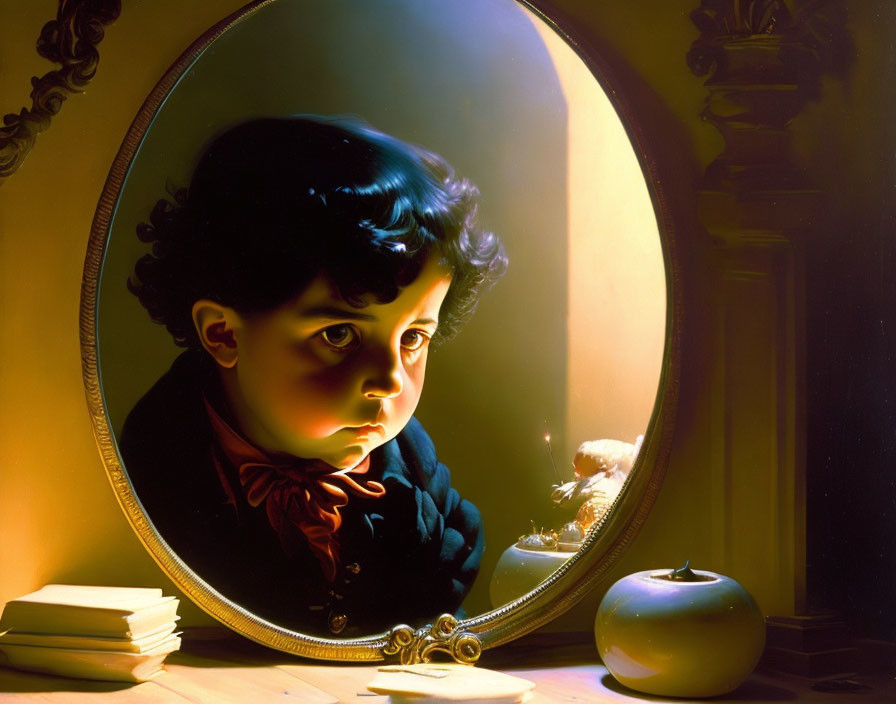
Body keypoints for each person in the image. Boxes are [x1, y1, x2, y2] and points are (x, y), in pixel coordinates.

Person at [119, 115, 507, 637]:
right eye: (340, 335)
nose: (390, 380)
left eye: (413, 338)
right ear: (224, 335)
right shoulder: (152, 466)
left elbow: (434, 620)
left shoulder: (416, 475)